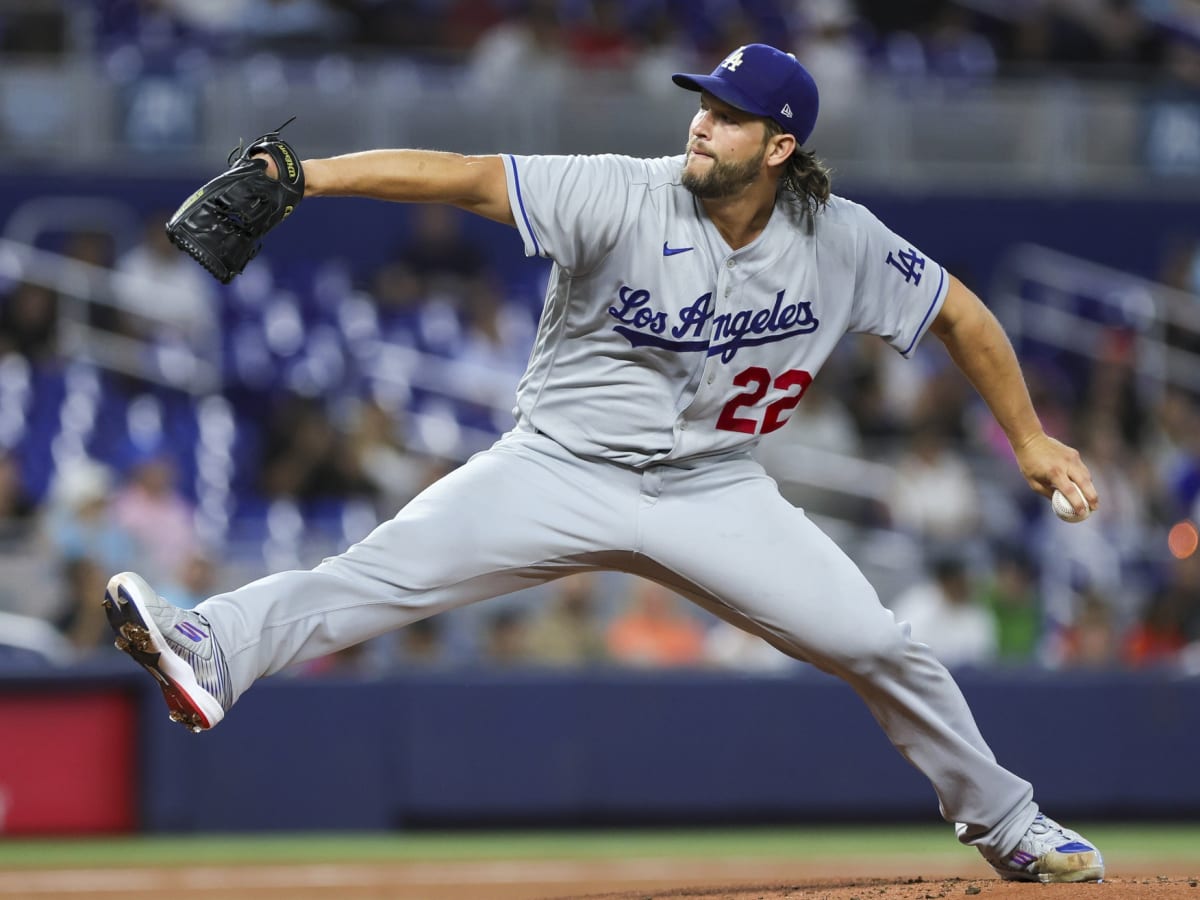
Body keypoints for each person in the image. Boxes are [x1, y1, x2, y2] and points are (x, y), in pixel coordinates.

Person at [102, 43, 1104, 883]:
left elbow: (960, 314)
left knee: (882, 647)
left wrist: (1027, 436)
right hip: (559, 469)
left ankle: (1008, 826)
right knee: (372, 573)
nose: (702, 125)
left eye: (730, 115)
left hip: (715, 490)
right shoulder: (624, 192)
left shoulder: (837, 239)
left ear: (781, 145)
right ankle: (211, 649)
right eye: (703, 105)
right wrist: (312, 177)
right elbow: (468, 175)